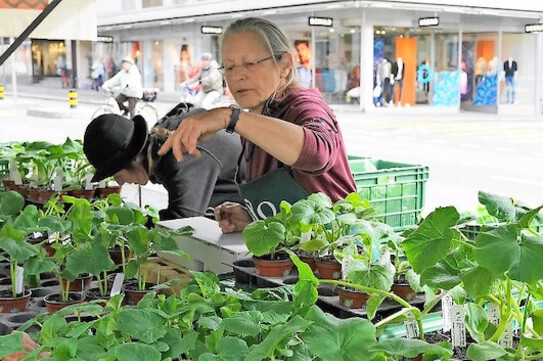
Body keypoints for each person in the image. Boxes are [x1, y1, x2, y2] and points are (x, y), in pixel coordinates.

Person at [155, 17, 357, 233]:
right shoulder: (252, 123)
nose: (237, 76)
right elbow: (290, 210)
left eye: (250, 64)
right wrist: (254, 217)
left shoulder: (305, 106)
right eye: (229, 67)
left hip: (338, 249)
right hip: (290, 251)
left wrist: (229, 117)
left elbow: (318, 154)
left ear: (285, 65)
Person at [83, 103, 242, 220]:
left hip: (253, 209)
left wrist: (141, 229)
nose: (120, 183)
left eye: (117, 175)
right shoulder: (161, 141)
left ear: (134, 159)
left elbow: (184, 223)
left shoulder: (182, 152)